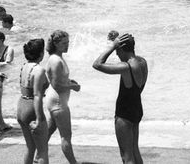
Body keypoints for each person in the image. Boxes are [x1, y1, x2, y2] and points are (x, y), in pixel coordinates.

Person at [93, 33, 148, 164]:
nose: (117, 54)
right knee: (135, 151)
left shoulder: (125, 67)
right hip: (137, 109)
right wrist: (116, 42)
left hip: (124, 114)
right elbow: (140, 87)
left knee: (126, 156)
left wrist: (112, 47)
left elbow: (97, 64)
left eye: (117, 51)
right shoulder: (142, 62)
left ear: (121, 49)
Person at [44, 30, 82, 163]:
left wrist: (70, 82)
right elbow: (57, 85)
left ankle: (37, 157)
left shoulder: (57, 58)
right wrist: (73, 87)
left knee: (47, 132)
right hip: (58, 102)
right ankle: (73, 163)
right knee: (66, 136)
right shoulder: (55, 60)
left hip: (55, 101)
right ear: (55, 43)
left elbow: (60, 80)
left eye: (68, 42)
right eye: (64, 43)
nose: (67, 45)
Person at [18, 39, 51, 164]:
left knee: (30, 147)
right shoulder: (39, 70)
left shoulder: (24, 67)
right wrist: (39, 118)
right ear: (41, 54)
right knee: (42, 150)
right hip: (32, 107)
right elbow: (37, 95)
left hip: (21, 106)